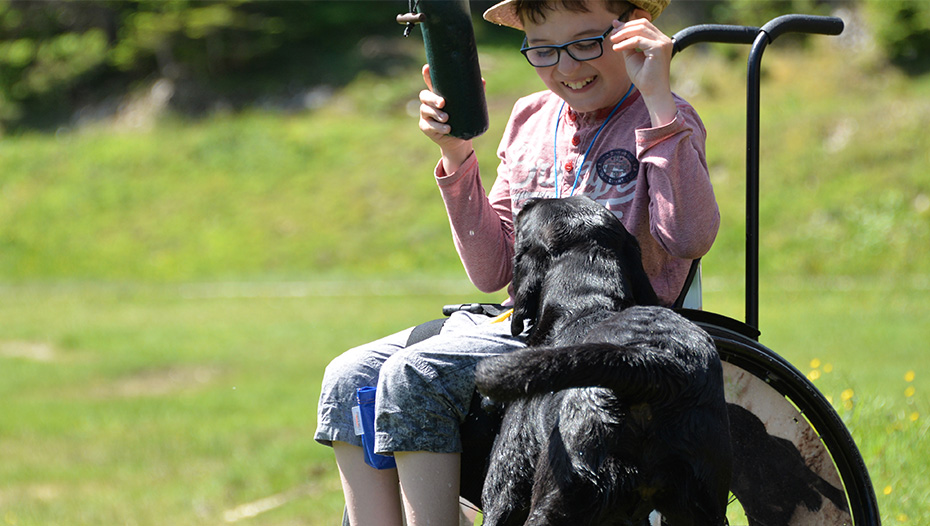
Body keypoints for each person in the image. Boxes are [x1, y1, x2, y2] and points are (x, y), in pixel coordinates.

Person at [315, 1, 719, 525]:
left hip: (613, 328)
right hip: (525, 324)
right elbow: (493, 271)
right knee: (348, 374)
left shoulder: (664, 116)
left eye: (587, 42)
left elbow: (689, 237)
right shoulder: (528, 118)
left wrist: (659, 100)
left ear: (631, 30)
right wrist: (457, 155)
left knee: (415, 373)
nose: (569, 67)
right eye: (545, 50)